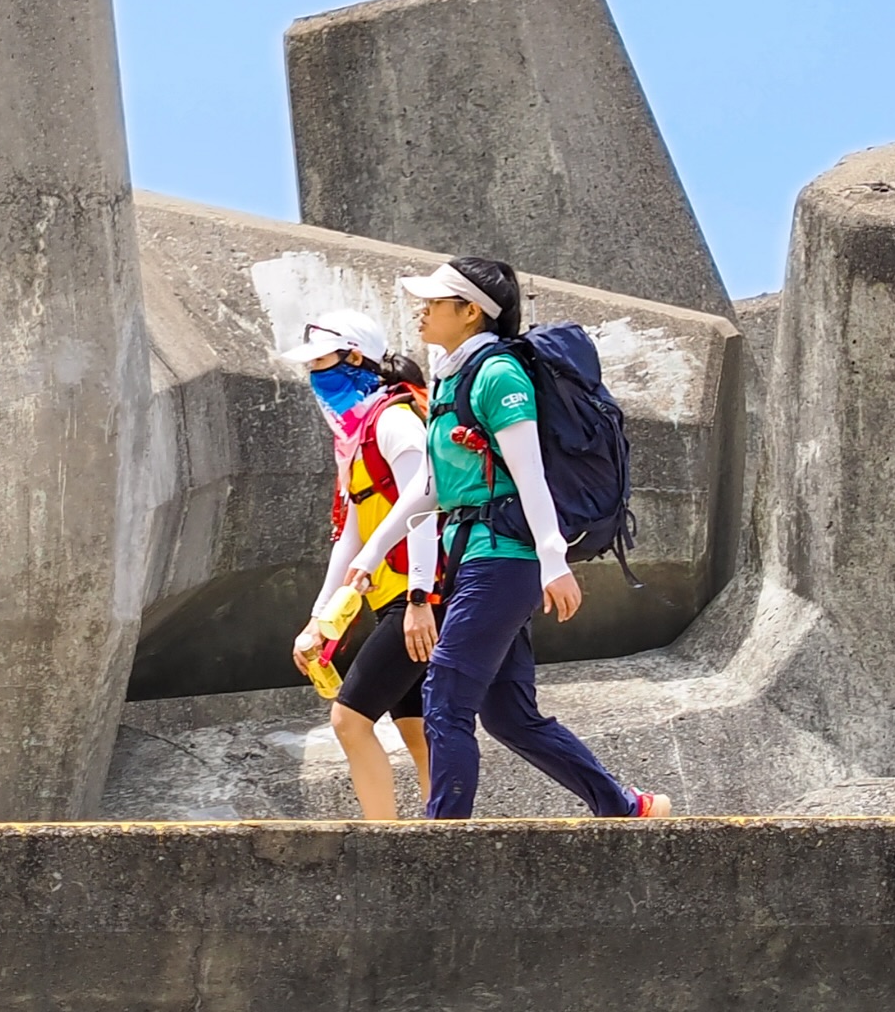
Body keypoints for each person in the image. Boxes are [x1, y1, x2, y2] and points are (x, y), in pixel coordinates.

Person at [348, 260, 672, 820]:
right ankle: (624, 806)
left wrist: (553, 561)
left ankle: (444, 844)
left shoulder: (499, 375)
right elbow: (432, 486)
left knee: (445, 698)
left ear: (471, 312)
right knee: (508, 714)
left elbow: (530, 473)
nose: (421, 309)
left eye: (435, 300)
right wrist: (371, 554)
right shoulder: (451, 379)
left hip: (504, 558)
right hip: (476, 555)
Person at [283, 309, 441, 820]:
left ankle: (385, 839)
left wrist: (410, 591)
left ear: (357, 358)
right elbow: (350, 532)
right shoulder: (357, 437)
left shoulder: (393, 419)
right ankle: (444, 833)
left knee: (350, 721)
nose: (315, 376)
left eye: (322, 361)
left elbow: (425, 492)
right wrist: (318, 619)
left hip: (419, 596)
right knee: (418, 730)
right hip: (391, 598)